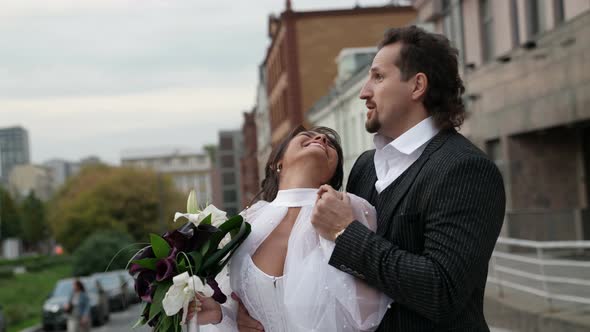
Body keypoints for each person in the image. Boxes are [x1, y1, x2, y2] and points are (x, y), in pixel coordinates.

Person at [310, 26, 506, 331]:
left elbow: (442, 291)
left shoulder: (465, 169)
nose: (364, 92)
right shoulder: (365, 166)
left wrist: (344, 231)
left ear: (417, 86)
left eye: (378, 77)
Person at [192, 126, 391, 331]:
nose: (321, 138)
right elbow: (234, 305)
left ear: (334, 172)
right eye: (306, 136)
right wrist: (222, 316)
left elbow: (373, 306)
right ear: (277, 163)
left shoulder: (349, 208)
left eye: (331, 145)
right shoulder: (245, 223)